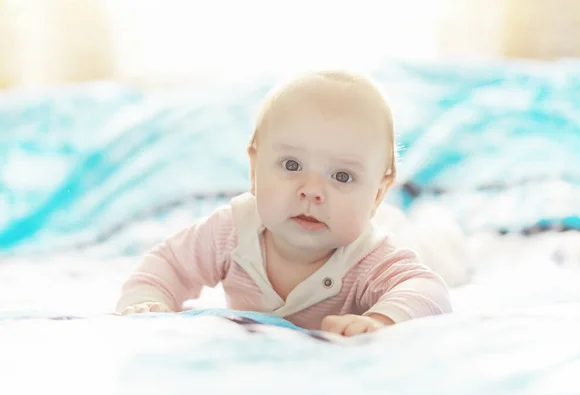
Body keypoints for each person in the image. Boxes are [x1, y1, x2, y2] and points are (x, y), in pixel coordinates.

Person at [115, 70, 452, 336]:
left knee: (442, 254)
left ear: (377, 194)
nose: (311, 191)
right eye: (292, 166)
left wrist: (381, 319)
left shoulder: (370, 258)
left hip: (409, 237)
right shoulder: (230, 233)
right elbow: (169, 265)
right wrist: (148, 300)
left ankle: (429, 218)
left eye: (342, 177)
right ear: (254, 168)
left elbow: (428, 289)